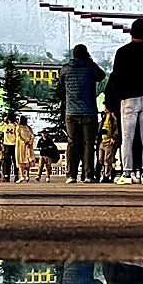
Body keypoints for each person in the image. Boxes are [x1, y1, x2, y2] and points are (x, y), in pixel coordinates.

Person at [107, 18, 143, 184]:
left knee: (127, 138)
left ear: (130, 32)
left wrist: (120, 97)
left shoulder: (122, 52)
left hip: (128, 99)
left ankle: (127, 173)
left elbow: (116, 77)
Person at [57, 44, 105, 184]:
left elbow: (60, 83)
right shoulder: (91, 68)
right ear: (86, 54)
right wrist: (90, 61)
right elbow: (101, 76)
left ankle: (71, 175)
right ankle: (88, 175)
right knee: (89, 144)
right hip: (89, 111)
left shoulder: (65, 69)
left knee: (72, 143)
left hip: (71, 112)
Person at [96, 102, 119, 182]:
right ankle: (103, 173)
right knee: (100, 158)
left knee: (108, 159)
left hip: (109, 141)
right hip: (103, 140)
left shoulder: (113, 118)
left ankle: (107, 175)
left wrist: (114, 137)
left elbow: (116, 128)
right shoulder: (103, 116)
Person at [0, 113, 20, 183]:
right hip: (15, 145)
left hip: (7, 145)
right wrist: (17, 123)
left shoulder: (5, 126)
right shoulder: (16, 127)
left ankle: (6, 176)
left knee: (6, 162)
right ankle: (16, 175)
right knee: (16, 161)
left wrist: (3, 121)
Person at [15, 115, 35, 182]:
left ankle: (26, 175)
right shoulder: (20, 127)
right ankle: (23, 175)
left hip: (25, 146)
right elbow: (18, 136)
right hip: (23, 146)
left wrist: (29, 142)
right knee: (22, 160)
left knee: (26, 160)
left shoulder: (27, 127)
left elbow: (32, 136)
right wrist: (26, 142)